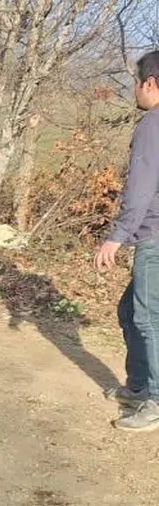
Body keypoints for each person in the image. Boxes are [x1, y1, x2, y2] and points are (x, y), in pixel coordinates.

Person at [94, 49, 159, 432]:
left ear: (150, 83)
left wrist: (116, 237)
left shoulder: (152, 125)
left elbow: (140, 189)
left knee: (148, 319)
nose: (133, 90)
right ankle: (138, 387)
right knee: (129, 313)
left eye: (135, 83)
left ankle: (154, 397)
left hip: (154, 238)